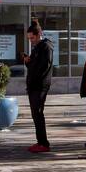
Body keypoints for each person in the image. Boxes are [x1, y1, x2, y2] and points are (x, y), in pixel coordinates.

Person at [24, 20, 54, 153]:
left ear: (39, 34)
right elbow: (34, 66)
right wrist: (28, 62)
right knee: (35, 114)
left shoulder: (46, 47)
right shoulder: (37, 47)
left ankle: (43, 143)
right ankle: (40, 141)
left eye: (32, 38)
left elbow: (44, 67)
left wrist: (32, 66)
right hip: (34, 85)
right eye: (29, 38)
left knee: (38, 113)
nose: (31, 41)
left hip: (40, 85)